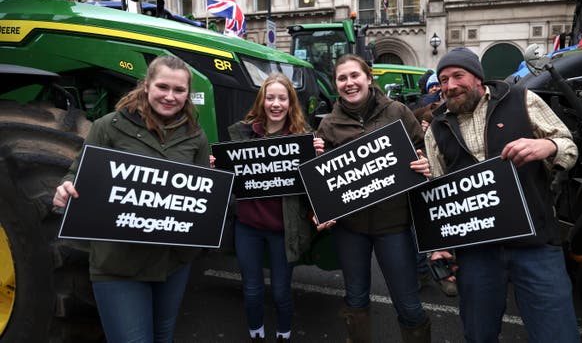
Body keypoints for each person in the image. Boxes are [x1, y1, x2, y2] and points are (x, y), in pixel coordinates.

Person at [424, 47, 580, 342]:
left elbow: (568, 145)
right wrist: (439, 244)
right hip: (477, 252)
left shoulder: (522, 100)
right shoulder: (437, 128)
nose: (450, 85)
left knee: (556, 333)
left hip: (536, 243)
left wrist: (547, 147)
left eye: (458, 76)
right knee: (479, 334)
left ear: (478, 77)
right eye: (443, 80)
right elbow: (438, 191)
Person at [52, 55, 210, 342]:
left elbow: (200, 194)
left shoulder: (195, 135)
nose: (170, 96)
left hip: (172, 262)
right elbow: (77, 174)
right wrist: (66, 187)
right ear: (147, 85)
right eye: (163, 87)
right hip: (118, 263)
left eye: (179, 90)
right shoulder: (107, 126)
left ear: (188, 93)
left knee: (163, 337)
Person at [315, 54, 432, 343]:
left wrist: (425, 163)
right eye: (342, 78)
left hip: (394, 225)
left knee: (408, 302)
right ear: (336, 85)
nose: (349, 83)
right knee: (355, 298)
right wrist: (316, 158)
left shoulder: (398, 112)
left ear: (369, 78)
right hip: (350, 228)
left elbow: (425, 150)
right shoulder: (328, 124)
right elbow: (321, 179)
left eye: (355, 75)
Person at [216, 73, 324, 343]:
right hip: (248, 228)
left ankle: (284, 334)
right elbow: (230, 181)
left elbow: (314, 186)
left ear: (291, 103)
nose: (276, 104)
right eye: (270, 97)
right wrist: (218, 168)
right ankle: (256, 333)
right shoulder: (241, 134)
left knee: (280, 291)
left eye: (282, 98)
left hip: (283, 229)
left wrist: (317, 158)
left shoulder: (304, 138)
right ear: (262, 101)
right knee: (251, 289)